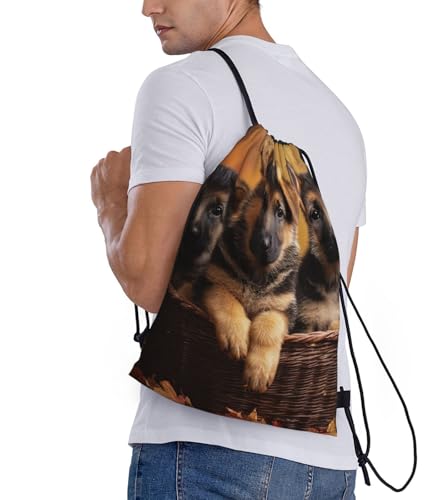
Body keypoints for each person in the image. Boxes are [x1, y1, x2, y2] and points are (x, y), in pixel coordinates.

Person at [90, 0, 367, 498]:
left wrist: (111, 202)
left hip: (208, 454)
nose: (148, 7)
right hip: (330, 464)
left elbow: (147, 281)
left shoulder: (183, 86)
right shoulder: (339, 116)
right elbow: (330, 288)